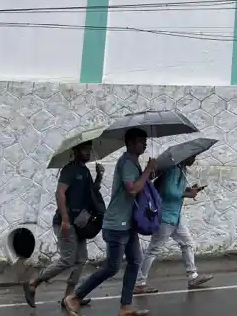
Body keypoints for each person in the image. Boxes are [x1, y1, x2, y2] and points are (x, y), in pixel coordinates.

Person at [63, 128, 157, 316]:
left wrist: (147, 174)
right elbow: (131, 190)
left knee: (135, 261)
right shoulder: (127, 163)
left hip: (127, 223)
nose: (144, 144)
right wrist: (147, 170)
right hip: (117, 225)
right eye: (140, 141)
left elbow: (136, 187)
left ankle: (125, 306)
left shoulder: (132, 163)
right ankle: (74, 297)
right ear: (129, 143)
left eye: (145, 140)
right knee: (112, 267)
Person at [22, 140, 105, 308]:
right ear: (75, 150)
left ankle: (69, 297)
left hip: (80, 223)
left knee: (81, 259)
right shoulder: (69, 170)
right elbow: (60, 193)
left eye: (89, 149)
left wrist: (99, 176)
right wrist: (66, 220)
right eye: (84, 149)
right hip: (66, 222)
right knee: (68, 259)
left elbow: (91, 193)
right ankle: (33, 283)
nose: (88, 152)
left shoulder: (85, 171)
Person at [134, 155, 212, 293]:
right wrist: (188, 194)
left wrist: (189, 189)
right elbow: (168, 192)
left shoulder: (181, 169)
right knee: (153, 250)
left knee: (187, 243)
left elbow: (175, 189)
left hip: (176, 216)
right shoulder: (174, 170)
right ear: (185, 157)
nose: (194, 159)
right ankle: (139, 282)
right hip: (166, 216)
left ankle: (193, 276)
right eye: (192, 157)